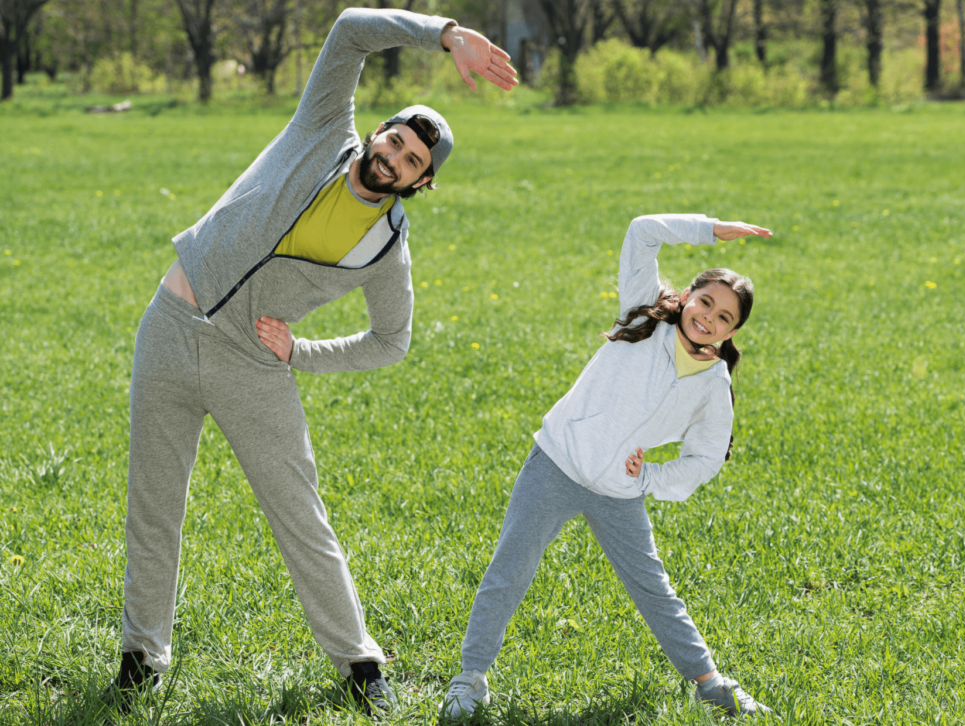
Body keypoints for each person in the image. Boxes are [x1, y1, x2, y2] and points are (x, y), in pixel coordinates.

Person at [102, 6, 517, 719]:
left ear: (421, 183)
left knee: (299, 513)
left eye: (414, 162)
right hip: (169, 329)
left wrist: (302, 353)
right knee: (154, 505)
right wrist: (446, 34)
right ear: (377, 129)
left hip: (251, 365)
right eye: (395, 139)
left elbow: (392, 341)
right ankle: (141, 658)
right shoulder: (324, 126)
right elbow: (352, 26)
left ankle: (360, 663)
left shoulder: (385, 248)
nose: (395, 158)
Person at [438, 214, 774, 720]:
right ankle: (470, 679)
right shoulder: (643, 312)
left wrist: (651, 478)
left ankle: (711, 683)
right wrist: (709, 230)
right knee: (510, 569)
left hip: (620, 491)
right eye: (705, 301)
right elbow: (642, 230)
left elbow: (705, 458)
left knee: (654, 590)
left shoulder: (713, 385)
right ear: (686, 295)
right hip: (556, 463)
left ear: (731, 332)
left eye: (724, 317)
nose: (709, 317)